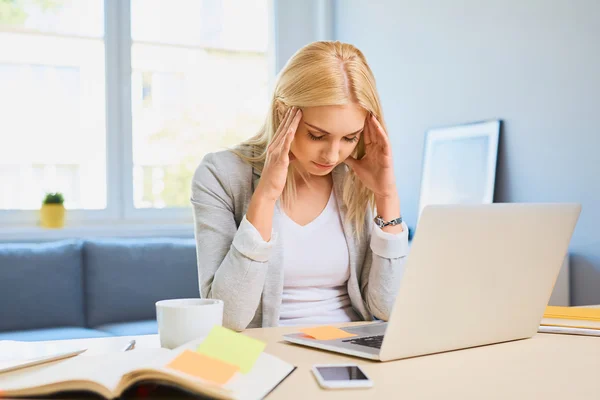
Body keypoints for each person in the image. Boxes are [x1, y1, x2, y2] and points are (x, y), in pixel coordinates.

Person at [191, 41, 409, 331]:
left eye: (350, 138)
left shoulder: (357, 176)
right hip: (265, 352)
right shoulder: (220, 174)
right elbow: (228, 319)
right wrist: (266, 196)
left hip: (349, 346)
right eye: (317, 136)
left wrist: (387, 196)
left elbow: (387, 307)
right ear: (283, 113)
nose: (333, 155)